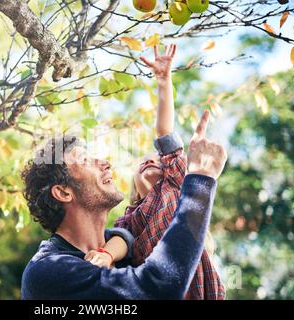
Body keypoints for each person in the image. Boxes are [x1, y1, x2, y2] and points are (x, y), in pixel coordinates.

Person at [20, 106, 227, 299]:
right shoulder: (47, 270)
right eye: (84, 160)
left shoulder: (127, 244)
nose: (105, 163)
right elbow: (158, 288)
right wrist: (200, 180)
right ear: (64, 192)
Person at [84, 44, 226, 299]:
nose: (150, 161)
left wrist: (163, 82)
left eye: (157, 160)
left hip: (196, 282)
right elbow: (122, 239)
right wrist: (105, 254)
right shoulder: (131, 215)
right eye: (143, 162)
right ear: (132, 182)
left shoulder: (176, 185)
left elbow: (164, 132)